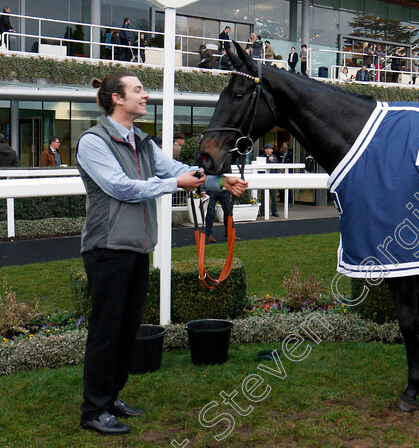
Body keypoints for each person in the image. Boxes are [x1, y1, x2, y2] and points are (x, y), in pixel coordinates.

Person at [75, 72, 247, 436]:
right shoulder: (93, 142)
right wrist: (176, 184)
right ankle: (93, 410)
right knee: (106, 331)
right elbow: (121, 187)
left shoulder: (141, 141)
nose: (145, 95)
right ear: (116, 99)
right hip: (106, 249)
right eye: (138, 89)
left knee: (127, 330)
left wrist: (220, 181)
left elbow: (180, 171)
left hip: (137, 248)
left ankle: (111, 398)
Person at [259, 143, 279, 217]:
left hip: (273, 179)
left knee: (273, 196)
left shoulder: (275, 157)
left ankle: (274, 211)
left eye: (272, 149)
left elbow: (276, 167)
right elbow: (261, 167)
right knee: (263, 196)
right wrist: (268, 160)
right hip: (265, 179)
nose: (271, 150)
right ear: (265, 150)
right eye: (269, 149)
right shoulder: (262, 157)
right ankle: (262, 212)